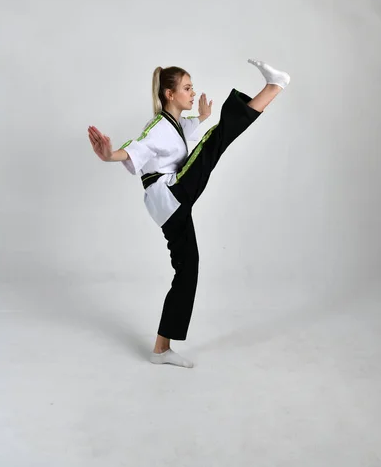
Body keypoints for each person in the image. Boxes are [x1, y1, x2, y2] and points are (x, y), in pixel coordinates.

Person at [88, 59, 290, 368]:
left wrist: (204, 116)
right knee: (216, 140)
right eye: (187, 88)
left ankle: (161, 349)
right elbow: (137, 148)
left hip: (169, 207)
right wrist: (109, 155)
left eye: (192, 87)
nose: (193, 92)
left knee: (188, 268)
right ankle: (274, 86)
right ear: (169, 94)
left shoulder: (174, 125)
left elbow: (183, 131)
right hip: (170, 193)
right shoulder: (156, 126)